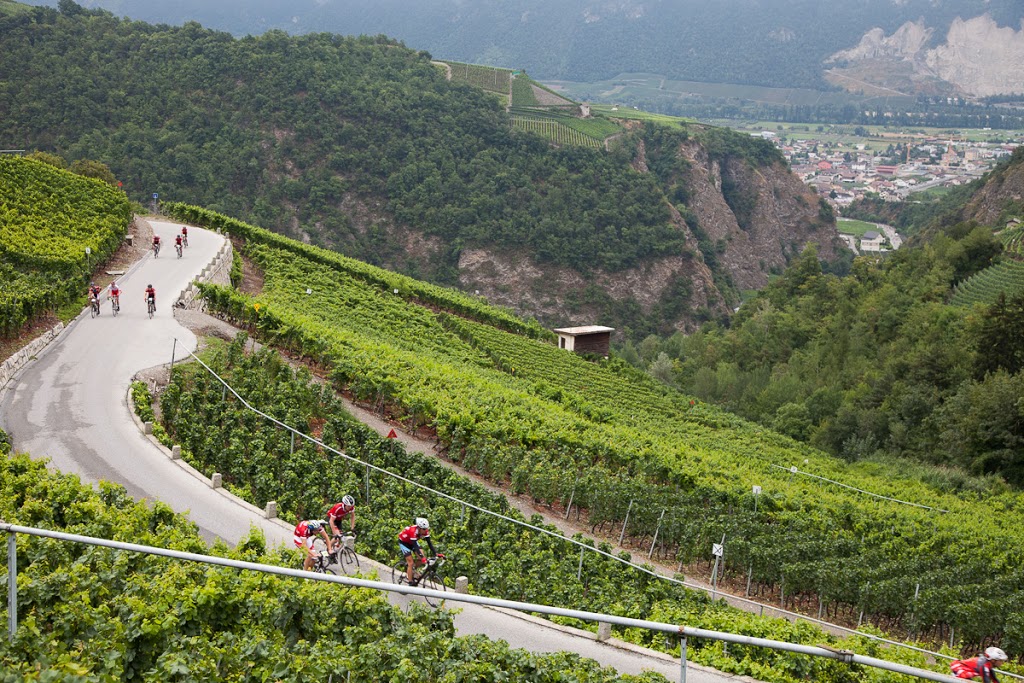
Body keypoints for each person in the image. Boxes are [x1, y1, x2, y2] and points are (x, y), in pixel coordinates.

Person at [398, 517, 437, 585]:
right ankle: (410, 582)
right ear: (419, 528)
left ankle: (413, 570)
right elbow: (415, 546)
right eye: (424, 529)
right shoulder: (412, 531)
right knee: (411, 563)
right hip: (404, 543)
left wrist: (436, 553)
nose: (425, 530)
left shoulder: (425, 531)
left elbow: (429, 543)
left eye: (426, 528)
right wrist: (422, 558)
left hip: (412, 542)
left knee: (422, 557)